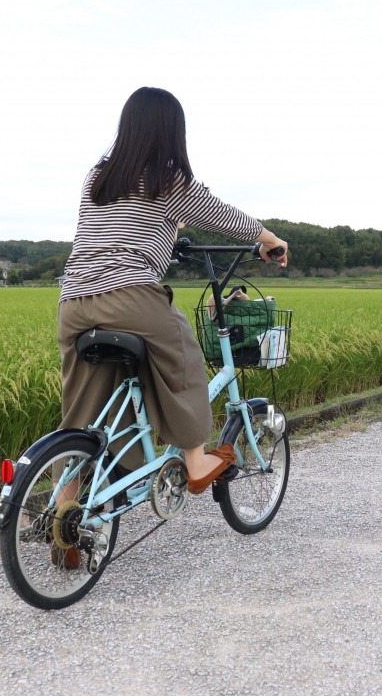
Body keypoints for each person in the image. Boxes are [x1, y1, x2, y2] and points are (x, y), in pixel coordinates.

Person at [57, 86, 289, 496]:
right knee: (184, 356)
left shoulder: (99, 176)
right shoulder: (168, 179)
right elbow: (219, 213)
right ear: (171, 132)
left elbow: (132, 217)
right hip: (128, 293)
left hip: (74, 301)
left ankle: (66, 508)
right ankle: (196, 460)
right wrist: (268, 237)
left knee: (84, 409)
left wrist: (170, 230)